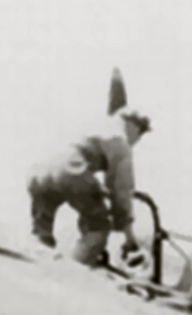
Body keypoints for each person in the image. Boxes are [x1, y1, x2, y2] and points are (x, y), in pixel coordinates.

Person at [27, 104, 151, 268]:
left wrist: (98, 190)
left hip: (39, 170)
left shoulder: (96, 125)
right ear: (135, 126)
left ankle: (37, 260)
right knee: (98, 225)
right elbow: (122, 191)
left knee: (42, 226)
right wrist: (130, 239)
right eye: (141, 133)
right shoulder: (120, 140)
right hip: (69, 170)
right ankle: (75, 271)